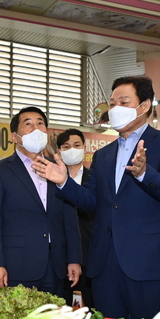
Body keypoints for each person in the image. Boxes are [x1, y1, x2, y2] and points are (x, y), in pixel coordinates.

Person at [33, 76, 160, 319]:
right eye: (113, 103)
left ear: (145, 105)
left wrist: (144, 173)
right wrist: (63, 181)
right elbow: (92, 201)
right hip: (105, 263)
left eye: (123, 102)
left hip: (148, 262)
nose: (115, 109)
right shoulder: (104, 155)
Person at [0, 107, 82, 296]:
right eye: (28, 124)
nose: (35, 128)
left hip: (57, 266)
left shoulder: (58, 170)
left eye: (40, 123)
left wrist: (74, 258)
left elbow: (70, 218)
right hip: (17, 266)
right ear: (14, 136)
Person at [56, 129, 94, 308]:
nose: (72, 149)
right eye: (66, 146)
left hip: (91, 255)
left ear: (84, 148)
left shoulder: (94, 179)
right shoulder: (51, 181)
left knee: (92, 309)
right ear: (59, 152)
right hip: (60, 257)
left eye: (77, 145)